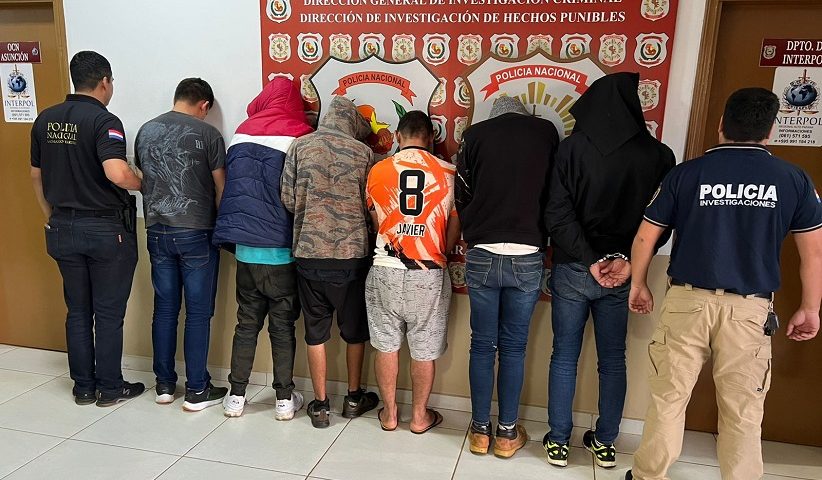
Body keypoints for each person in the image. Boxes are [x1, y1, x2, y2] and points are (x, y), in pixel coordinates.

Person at [626, 88, 822, 480]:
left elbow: (646, 236)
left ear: (721, 125)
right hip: (749, 311)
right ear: (770, 130)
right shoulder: (793, 179)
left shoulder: (686, 174)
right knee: (743, 410)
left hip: (687, 303)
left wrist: (639, 284)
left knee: (668, 400)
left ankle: (648, 476)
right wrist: (810, 307)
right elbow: (813, 253)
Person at [543, 73, 675, 468]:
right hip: (623, 273)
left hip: (574, 267)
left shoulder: (571, 150)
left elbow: (557, 215)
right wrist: (627, 261)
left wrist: (591, 258)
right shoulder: (659, 156)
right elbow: (662, 223)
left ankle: (558, 441)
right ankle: (605, 443)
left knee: (564, 356)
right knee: (613, 359)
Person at [30, 51, 144, 407]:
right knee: (108, 313)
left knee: (78, 311)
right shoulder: (104, 120)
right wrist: (142, 183)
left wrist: (50, 214)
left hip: (62, 227)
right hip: (104, 230)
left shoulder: (45, 119)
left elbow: (36, 176)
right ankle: (109, 388)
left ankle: (82, 387)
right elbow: (117, 173)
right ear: (105, 82)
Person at [456, 96, 559, 457]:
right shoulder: (545, 133)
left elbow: (461, 193)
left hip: (482, 250)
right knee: (514, 348)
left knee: (482, 345)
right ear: (524, 114)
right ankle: (506, 434)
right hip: (528, 252)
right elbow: (555, 192)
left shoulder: (474, 135)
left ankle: (479, 432)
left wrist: (474, 228)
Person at [212, 77, 313, 420]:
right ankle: (284, 400)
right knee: (282, 328)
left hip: (245, 251)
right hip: (281, 252)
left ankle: (236, 396)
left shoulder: (241, 132)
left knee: (246, 324)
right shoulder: (300, 135)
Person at [281, 96, 380, 428]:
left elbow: (288, 199)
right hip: (352, 256)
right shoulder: (363, 153)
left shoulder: (299, 146)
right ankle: (353, 398)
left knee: (315, 332)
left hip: (309, 254)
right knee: (354, 332)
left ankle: (321, 405)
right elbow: (371, 205)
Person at [364, 111, 460, 433]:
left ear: (397, 136)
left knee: (386, 345)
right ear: (431, 137)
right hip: (429, 271)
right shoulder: (448, 172)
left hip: (386, 267)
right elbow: (452, 234)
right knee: (424, 348)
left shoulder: (378, 170)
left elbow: (377, 223)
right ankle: (419, 417)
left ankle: (390, 414)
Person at [135, 78, 227, 411]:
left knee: (164, 309)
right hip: (196, 232)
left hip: (156, 230)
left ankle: (163, 385)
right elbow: (221, 188)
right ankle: (197, 389)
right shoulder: (209, 135)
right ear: (204, 105)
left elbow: (142, 177)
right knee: (198, 314)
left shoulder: (145, 131)